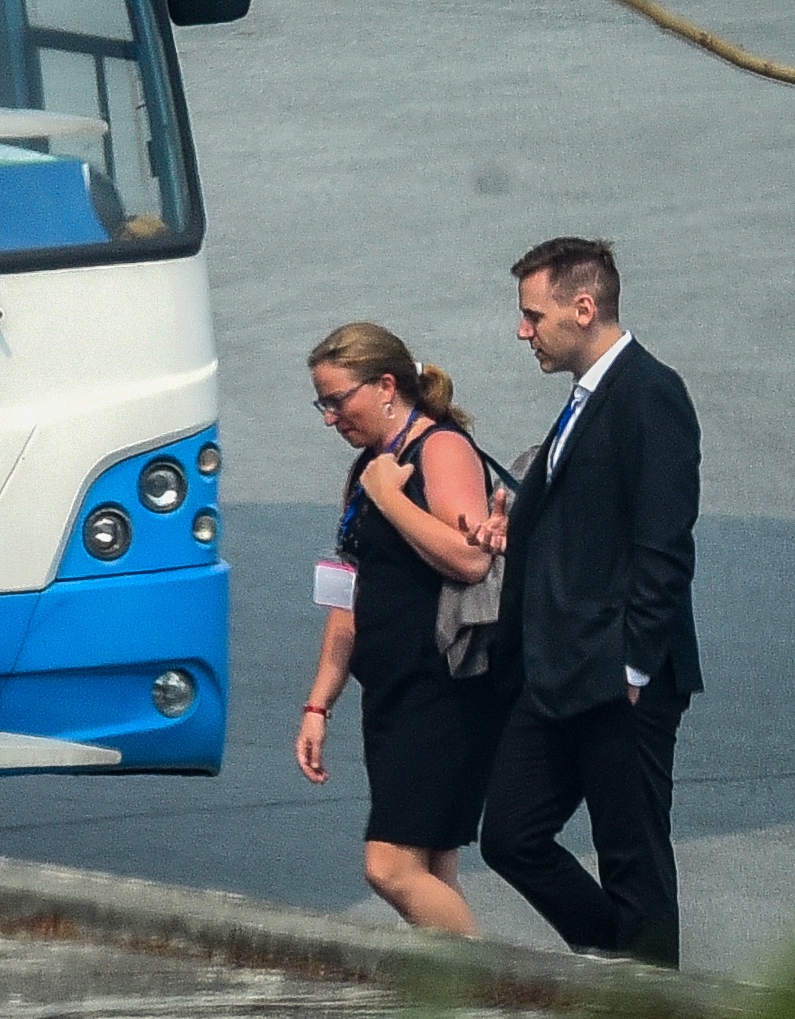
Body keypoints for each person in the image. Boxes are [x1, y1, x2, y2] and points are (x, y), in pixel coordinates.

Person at [467, 238, 702, 968]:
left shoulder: (649, 392)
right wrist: (517, 522)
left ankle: (651, 990)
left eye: (532, 315)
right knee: (508, 833)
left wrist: (633, 667)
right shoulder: (584, 399)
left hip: (615, 674)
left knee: (631, 856)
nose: (521, 330)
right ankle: (617, 961)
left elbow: (664, 543)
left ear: (582, 306)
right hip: (557, 673)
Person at [297, 323, 510, 937]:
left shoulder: (439, 449)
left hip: (441, 688)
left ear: (386, 385)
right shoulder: (371, 468)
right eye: (323, 403)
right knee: (429, 866)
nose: (331, 417)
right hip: (391, 692)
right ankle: (455, 998)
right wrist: (320, 702)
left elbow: (470, 558)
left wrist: (389, 498)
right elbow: (347, 593)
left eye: (339, 400)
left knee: (388, 867)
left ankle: (493, 994)